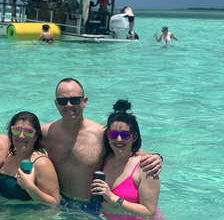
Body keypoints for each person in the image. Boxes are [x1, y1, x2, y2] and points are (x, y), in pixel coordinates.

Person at [41, 78, 163, 206]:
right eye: (62, 101)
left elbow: (127, 151)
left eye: (75, 100)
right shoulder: (45, 133)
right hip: (60, 203)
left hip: (91, 207)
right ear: (56, 104)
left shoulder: (101, 135)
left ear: (84, 101)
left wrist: (157, 157)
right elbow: (21, 143)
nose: (69, 105)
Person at [91, 100, 161, 219]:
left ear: (134, 137)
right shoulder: (107, 158)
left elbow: (150, 212)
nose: (118, 139)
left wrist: (112, 198)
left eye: (125, 135)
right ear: (108, 136)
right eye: (113, 134)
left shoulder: (145, 168)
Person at [0, 111, 60, 204]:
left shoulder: (41, 163)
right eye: (16, 130)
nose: (21, 136)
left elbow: (54, 204)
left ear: (36, 135)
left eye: (28, 132)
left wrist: (30, 187)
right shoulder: (8, 154)